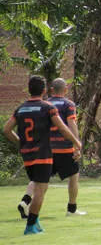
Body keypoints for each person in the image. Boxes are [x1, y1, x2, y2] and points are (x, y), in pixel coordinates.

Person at [3, 75, 82, 235]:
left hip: (28, 154)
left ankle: (34, 218)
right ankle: (31, 226)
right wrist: (76, 142)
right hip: (44, 153)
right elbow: (63, 127)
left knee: (37, 183)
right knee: (41, 189)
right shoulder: (48, 107)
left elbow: (6, 129)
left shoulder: (21, 109)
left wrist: (20, 144)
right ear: (44, 90)